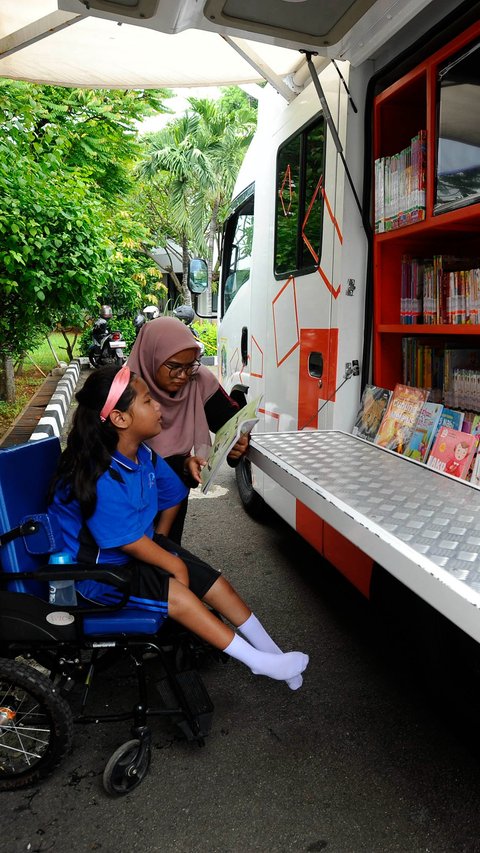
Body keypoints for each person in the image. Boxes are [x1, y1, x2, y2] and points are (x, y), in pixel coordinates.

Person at [48, 365, 308, 690]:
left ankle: (272, 652)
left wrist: (161, 539)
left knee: (218, 585)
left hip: (131, 554)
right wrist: (169, 560)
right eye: (147, 401)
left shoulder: (142, 454)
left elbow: (173, 494)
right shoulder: (100, 474)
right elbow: (126, 542)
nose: (158, 407)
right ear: (120, 419)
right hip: (94, 578)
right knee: (181, 598)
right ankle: (260, 663)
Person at [127, 316, 248, 543]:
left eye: (189, 366)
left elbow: (228, 419)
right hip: (131, 492)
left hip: (175, 489)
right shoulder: (125, 388)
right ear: (151, 357)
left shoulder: (197, 379)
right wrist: (181, 465)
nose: (183, 376)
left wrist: (238, 438)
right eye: (173, 367)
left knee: (168, 548)